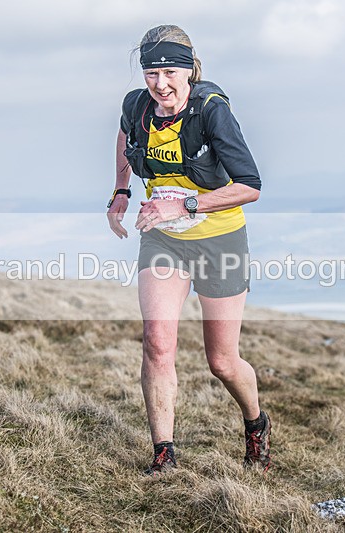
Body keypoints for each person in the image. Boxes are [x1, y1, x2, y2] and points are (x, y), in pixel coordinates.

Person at [106, 25, 270, 475]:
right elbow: (124, 137)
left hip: (221, 240)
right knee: (157, 344)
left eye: (171, 71)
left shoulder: (211, 111)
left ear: (190, 69)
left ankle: (255, 423)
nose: (161, 83)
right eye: (151, 72)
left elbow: (250, 186)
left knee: (221, 361)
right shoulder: (137, 106)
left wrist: (185, 202)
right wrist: (121, 191)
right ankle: (164, 455)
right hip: (164, 240)